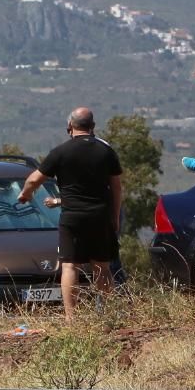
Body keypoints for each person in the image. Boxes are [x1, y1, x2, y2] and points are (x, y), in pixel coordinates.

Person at [19, 107, 123, 322]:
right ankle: (108, 316)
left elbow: (33, 180)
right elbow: (117, 188)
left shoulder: (60, 152)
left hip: (72, 216)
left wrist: (25, 194)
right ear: (92, 127)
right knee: (101, 266)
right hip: (99, 215)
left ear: (69, 127)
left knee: (69, 265)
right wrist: (115, 217)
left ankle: (71, 318)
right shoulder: (106, 152)